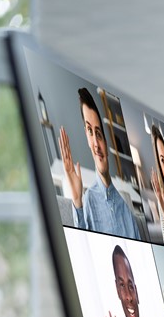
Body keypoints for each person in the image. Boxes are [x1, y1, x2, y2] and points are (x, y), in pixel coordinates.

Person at [59, 87, 140, 239]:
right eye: (90, 132)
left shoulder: (127, 211)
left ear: (106, 143)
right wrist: (77, 201)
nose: (96, 143)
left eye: (98, 133)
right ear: (87, 140)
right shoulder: (87, 201)